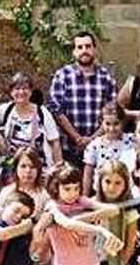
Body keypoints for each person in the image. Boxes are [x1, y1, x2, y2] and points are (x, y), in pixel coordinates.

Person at [49, 31, 119, 166]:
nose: (84, 51)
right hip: (68, 148)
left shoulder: (106, 77)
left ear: (95, 49)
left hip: (100, 149)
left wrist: (92, 139)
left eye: (88, 46)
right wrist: (77, 138)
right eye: (79, 47)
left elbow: (113, 112)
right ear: (74, 52)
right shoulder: (63, 76)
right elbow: (57, 110)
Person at [0, 71, 62, 180]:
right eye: (17, 89)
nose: (21, 92)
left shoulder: (42, 112)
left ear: (30, 91)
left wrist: (58, 170)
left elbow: (55, 142)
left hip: (39, 169)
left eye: (25, 88)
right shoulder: (5, 110)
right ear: (11, 92)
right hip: (12, 168)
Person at [83, 102, 134, 195]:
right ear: (101, 123)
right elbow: (88, 174)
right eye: (107, 124)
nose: (111, 128)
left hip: (126, 194)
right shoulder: (95, 145)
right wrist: (85, 196)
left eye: (116, 124)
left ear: (122, 122)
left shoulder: (131, 141)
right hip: (102, 194)